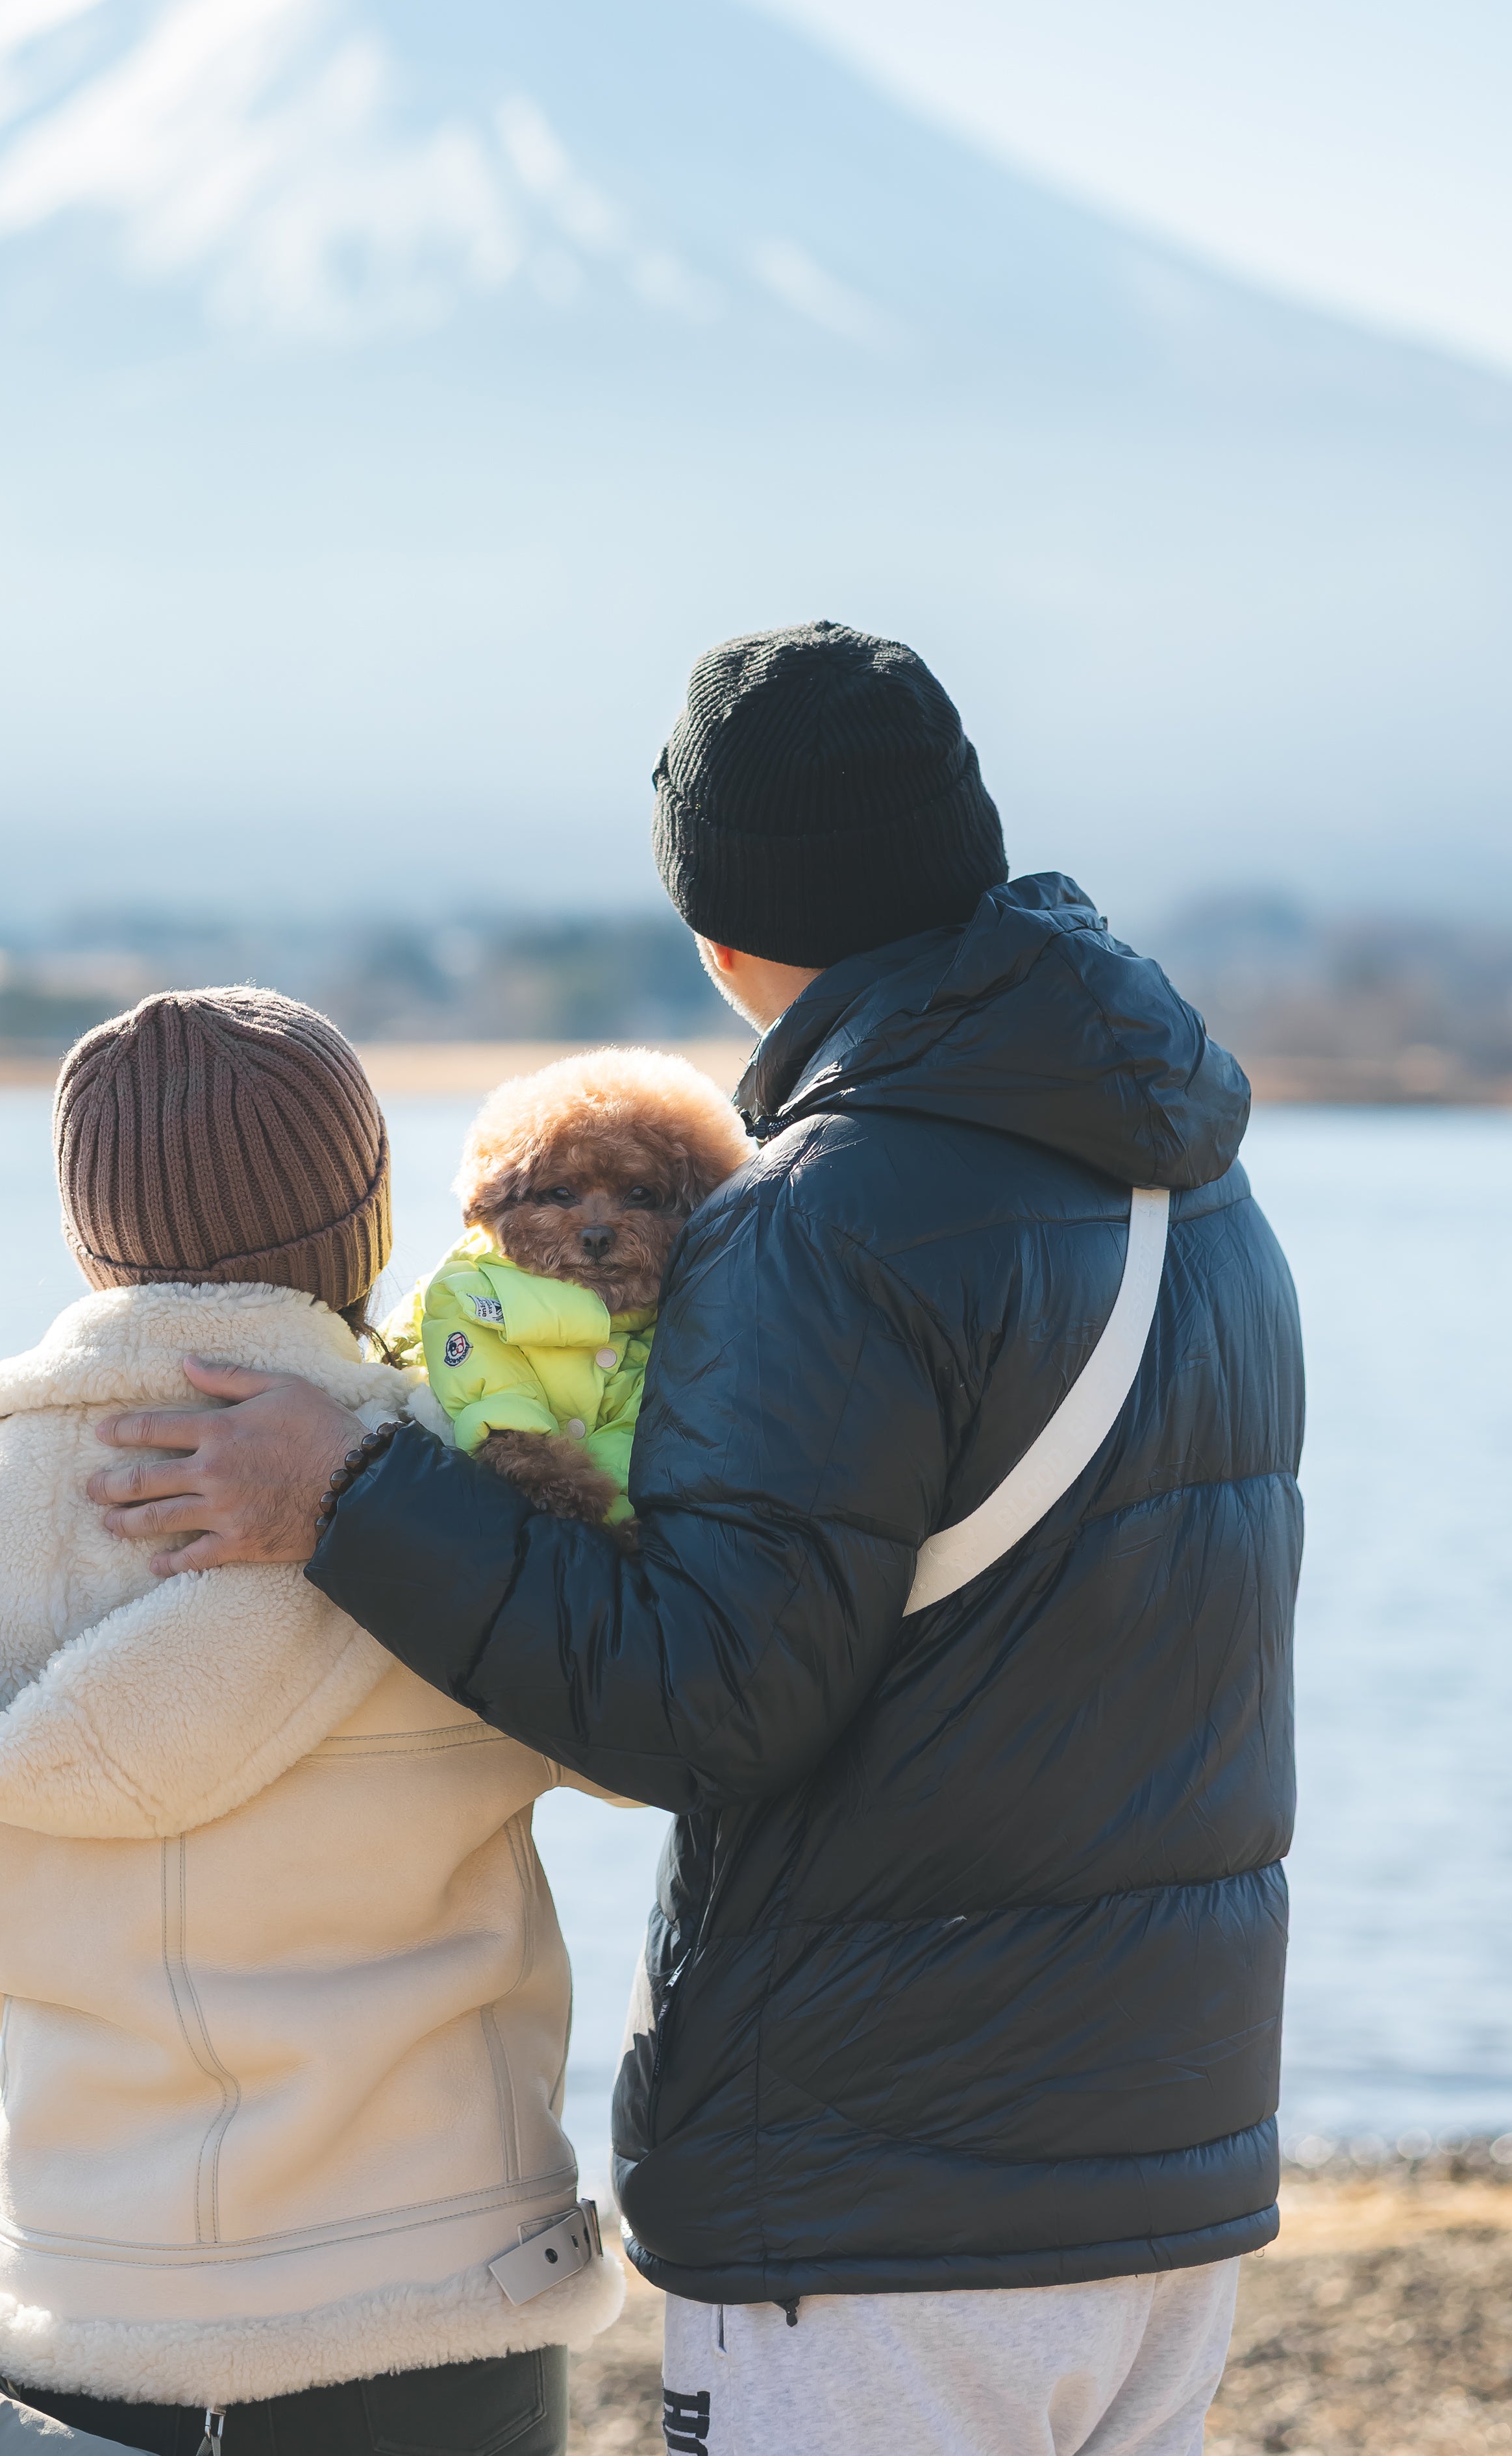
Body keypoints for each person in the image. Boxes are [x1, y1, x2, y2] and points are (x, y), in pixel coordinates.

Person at [88, 624, 1305, 2456]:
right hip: (1166, 2167)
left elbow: (709, 1702)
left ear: (723, 942)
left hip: (883, 2198)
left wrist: (346, 1489)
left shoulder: (822, 1218)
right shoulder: (1194, 1177)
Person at [0, 988, 621, 2456]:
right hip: (437, 2307)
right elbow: (643, 1734)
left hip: (81, 2305)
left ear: (88, 1233)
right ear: (368, 1223)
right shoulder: (452, 1492)